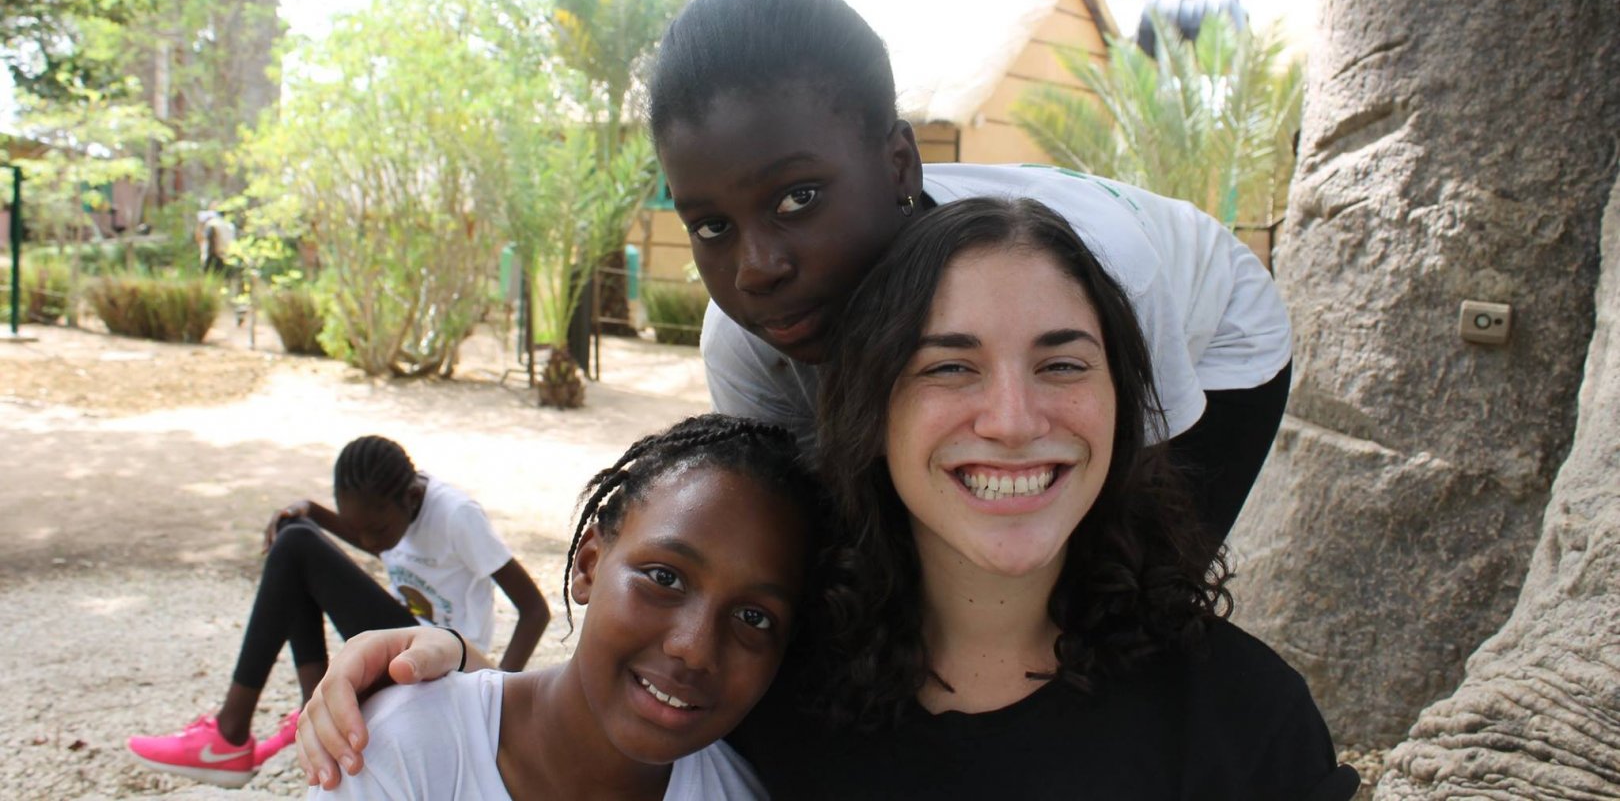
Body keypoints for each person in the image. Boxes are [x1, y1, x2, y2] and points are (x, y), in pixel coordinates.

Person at [296, 199, 1357, 799]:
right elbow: (585, 721)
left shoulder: (1238, 722)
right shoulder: (772, 689)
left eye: (1063, 363)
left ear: (1124, 407)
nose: (1013, 416)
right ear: (870, 418)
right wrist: (429, 674)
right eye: (949, 367)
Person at [649, 0, 1292, 547]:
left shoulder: (1083, 275)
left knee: (1129, 578)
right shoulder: (747, 342)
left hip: (1220, 339)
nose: (755, 268)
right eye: (711, 225)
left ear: (899, 164)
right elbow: (796, 532)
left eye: (799, 198)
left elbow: (1125, 491)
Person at [309, 414, 818, 800]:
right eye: (664, 578)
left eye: (753, 617)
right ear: (589, 564)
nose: (694, 648)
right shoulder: (401, 748)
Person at [127, 435, 548, 789]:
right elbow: (374, 538)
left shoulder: (456, 515)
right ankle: (315, 713)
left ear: (412, 497)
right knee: (294, 538)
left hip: (444, 664)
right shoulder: (389, 515)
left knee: (295, 548)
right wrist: (312, 512)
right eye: (356, 528)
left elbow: (534, 610)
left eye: (376, 530)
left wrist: (495, 700)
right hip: (402, 649)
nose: (370, 542)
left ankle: (228, 734)